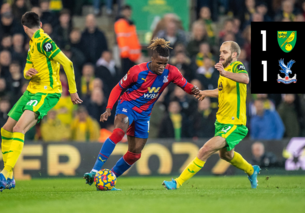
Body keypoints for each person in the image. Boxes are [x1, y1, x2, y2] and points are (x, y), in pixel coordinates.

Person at [83, 38, 199, 190]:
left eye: (165, 63)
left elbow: (186, 86)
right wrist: (109, 108)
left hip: (144, 115)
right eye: (159, 63)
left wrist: (196, 91)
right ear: (152, 58)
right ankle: (94, 171)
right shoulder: (137, 71)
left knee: (135, 154)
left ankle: (109, 179)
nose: (162, 67)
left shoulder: (171, 72)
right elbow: (117, 88)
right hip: (128, 106)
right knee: (118, 132)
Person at [0, 12, 82, 193]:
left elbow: (67, 63)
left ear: (24, 28)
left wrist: (73, 90)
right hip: (31, 91)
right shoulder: (32, 44)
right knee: (6, 129)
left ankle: (5, 173)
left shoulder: (44, 41)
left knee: (18, 128)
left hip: (46, 93)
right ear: (40, 23)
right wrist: (26, 73)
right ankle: (9, 178)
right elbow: (27, 68)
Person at [163, 41, 260, 190]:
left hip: (234, 122)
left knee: (205, 150)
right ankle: (251, 170)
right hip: (222, 121)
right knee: (226, 155)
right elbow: (221, 92)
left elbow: (245, 79)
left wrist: (225, 72)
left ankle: (177, 182)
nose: (221, 54)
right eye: (221, 51)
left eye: (225, 52)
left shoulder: (236, 66)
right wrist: (202, 93)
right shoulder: (225, 72)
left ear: (234, 55)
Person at [114, 5, 141, 74]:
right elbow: (121, 39)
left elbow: (133, 39)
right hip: (124, 54)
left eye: (129, 11)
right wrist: (125, 53)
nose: (128, 13)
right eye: (126, 11)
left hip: (130, 55)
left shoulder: (130, 23)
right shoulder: (121, 23)